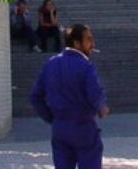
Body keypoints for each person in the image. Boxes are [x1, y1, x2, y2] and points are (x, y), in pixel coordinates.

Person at [30, 24, 109, 169]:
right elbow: (94, 93)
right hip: (84, 127)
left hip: (60, 128)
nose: (93, 44)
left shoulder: (51, 64)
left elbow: (35, 96)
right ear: (77, 43)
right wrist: (101, 106)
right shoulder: (85, 66)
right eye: (89, 39)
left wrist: (51, 118)